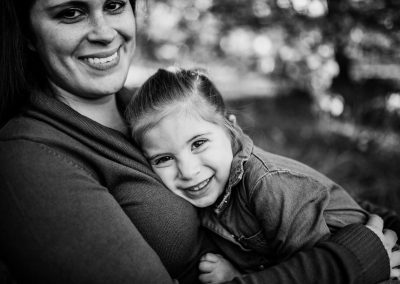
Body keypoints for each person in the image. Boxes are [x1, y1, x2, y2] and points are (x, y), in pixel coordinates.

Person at [0, 0, 399, 283]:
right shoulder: (30, 158)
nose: (105, 32)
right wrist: (353, 257)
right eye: (70, 12)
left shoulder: (150, 109)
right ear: (29, 33)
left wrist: (385, 226)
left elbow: (294, 189)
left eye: (116, 5)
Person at [124, 67, 399, 283]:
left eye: (198, 143)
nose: (188, 171)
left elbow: (320, 271)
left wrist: (238, 278)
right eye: (164, 159)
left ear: (231, 128)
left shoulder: (267, 185)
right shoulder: (210, 192)